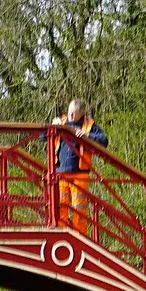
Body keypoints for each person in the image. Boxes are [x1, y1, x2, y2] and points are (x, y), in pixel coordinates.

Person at [51, 99, 107, 236]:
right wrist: (52, 126)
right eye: (69, 112)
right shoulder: (61, 122)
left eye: (73, 114)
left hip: (79, 175)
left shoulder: (88, 125)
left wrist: (88, 135)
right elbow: (42, 136)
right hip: (60, 173)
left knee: (79, 210)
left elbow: (104, 140)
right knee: (60, 208)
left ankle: (80, 239)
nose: (70, 115)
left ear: (81, 113)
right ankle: (60, 234)